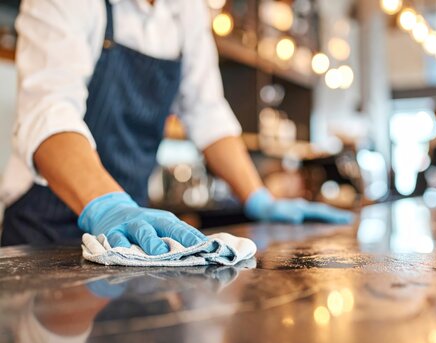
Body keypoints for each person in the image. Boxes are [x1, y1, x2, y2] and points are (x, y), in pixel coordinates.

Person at [0, 0, 352, 254]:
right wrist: (108, 207)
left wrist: (258, 197)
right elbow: (48, 110)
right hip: (44, 229)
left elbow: (207, 112)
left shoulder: (187, 9)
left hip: (132, 234)